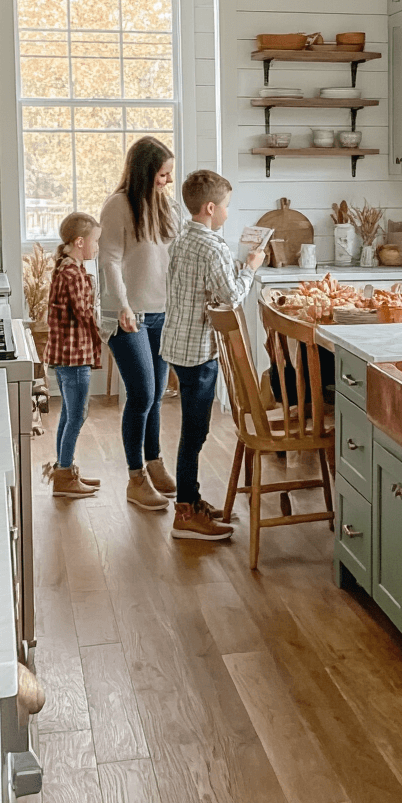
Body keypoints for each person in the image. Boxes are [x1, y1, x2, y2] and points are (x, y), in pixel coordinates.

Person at [160, 169, 266, 541]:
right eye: (224, 208)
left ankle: (191, 499)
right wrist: (251, 268)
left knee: (193, 432)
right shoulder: (212, 246)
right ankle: (185, 514)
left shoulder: (184, 239)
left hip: (178, 345)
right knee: (195, 433)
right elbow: (231, 296)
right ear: (209, 208)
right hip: (197, 353)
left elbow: (208, 286)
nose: (226, 214)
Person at [99, 136, 178, 512]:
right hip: (128, 316)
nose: (167, 181)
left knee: (157, 393)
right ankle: (135, 478)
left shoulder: (165, 205)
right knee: (143, 393)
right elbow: (110, 260)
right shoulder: (117, 206)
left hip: (163, 312)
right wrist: (124, 306)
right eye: (163, 174)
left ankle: (154, 461)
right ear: (147, 171)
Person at [43, 212, 102, 498]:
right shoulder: (75, 274)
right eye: (95, 242)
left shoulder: (63, 268)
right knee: (77, 415)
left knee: (69, 414)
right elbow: (85, 314)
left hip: (62, 356)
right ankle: (64, 476)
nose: (97, 247)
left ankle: (64, 470)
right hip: (75, 356)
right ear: (80, 242)